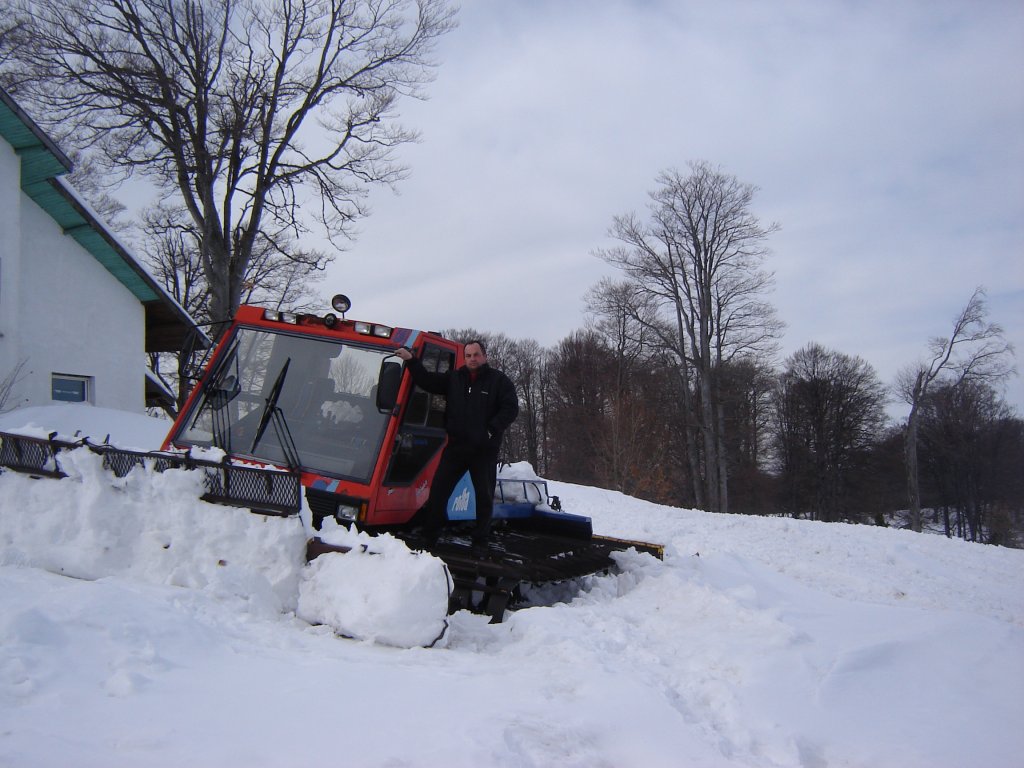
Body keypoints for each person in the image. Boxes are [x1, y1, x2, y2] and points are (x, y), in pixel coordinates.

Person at [395, 339, 518, 547]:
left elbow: (510, 408)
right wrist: (411, 361)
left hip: (483, 451)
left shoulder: (498, 381)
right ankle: (430, 536)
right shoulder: (454, 379)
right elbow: (427, 381)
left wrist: (491, 430)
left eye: (476, 355)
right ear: (464, 357)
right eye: (468, 355)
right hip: (456, 447)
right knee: (438, 492)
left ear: (484, 356)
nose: (472, 359)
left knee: (484, 497)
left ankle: (480, 541)